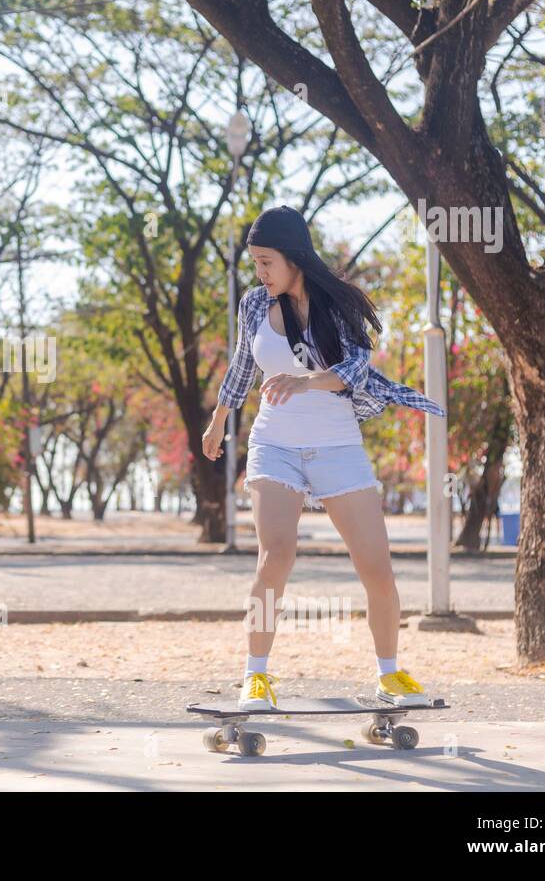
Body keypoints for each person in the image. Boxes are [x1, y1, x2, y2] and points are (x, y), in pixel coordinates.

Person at [201, 205, 446, 711]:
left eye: (267, 262)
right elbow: (243, 366)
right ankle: (256, 678)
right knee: (277, 556)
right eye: (256, 263)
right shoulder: (253, 305)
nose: (261, 273)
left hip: (337, 447)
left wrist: (306, 379)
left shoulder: (336, 306)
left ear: (294, 258)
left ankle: (389, 675)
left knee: (377, 568)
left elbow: (355, 368)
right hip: (275, 447)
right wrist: (219, 418)